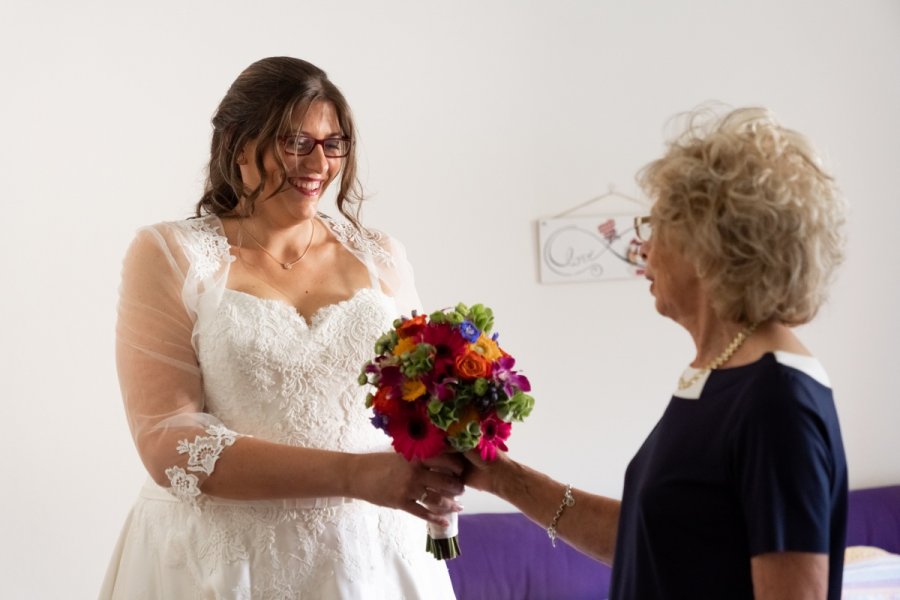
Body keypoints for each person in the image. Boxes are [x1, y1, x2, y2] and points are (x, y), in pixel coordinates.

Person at [100, 57, 463, 599]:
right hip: (222, 563)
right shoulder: (170, 254)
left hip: (368, 556)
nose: (319, 162)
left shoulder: (381, 256)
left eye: (333, 143)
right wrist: (354, 475)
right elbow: (166, 441)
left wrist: (451, 439)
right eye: (296, 142)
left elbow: (419, 396)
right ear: (240, 147)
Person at [464, 107, 848, 599]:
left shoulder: (778, 402)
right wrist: (500, 477)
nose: (643, 248)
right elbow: (658, 541)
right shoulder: (722, 376)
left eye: (655, 223)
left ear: (708, 242)